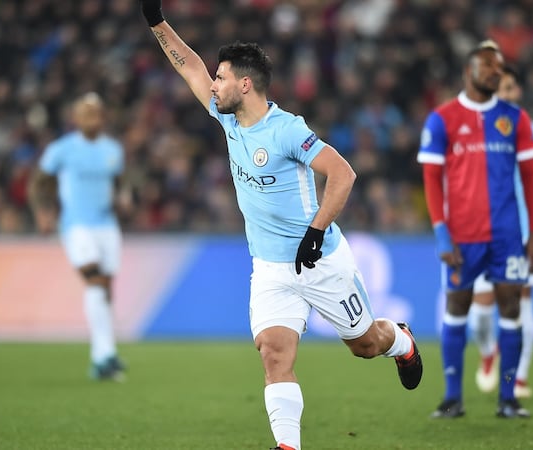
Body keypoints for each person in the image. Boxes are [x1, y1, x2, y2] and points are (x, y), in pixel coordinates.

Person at [138, 2, 422, 449]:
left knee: (365, 344)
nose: (213, 84)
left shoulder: (287, 130)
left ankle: (401, 342)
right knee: (273, 354)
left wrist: (316, 231)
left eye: (221, 77)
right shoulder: (226, 116)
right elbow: (189, 66)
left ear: (245, 84)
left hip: (319, 261)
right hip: (270, 268)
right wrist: (156, 22)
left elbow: (343, 173)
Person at [418, 40, 533, 419]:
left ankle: (508, 398)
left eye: (499, 67)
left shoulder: (515, 118)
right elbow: (431, 180)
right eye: (487, 66)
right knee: (457, 307)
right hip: (462, 237)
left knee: (511, 308)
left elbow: (531, 178)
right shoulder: (442, 118)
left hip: (507, 235)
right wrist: (442, 233)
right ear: (468, 71)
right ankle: (452, 397)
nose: (495, 72)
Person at [469, 65, 533, 399]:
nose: (506, 94)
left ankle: (519, 378)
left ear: (518, 92)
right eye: (500, 88)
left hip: (522, 232)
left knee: (522, 302)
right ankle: (489, 352)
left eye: (511, 88)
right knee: (480, 313)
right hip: (482, 231)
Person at [29, 92, 128, 381]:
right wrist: (42, 213)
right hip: (76, 225)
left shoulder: (112, 150)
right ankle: (103, 355)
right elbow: (38, 184)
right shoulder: (62, 149)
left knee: (105, 287)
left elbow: (120, 182)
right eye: (85, 113)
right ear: (76, 118)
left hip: (106, 225)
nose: (91, 119)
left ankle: (105, 356)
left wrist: (125, 198)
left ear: (102, 117)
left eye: (95, 113)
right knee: (94, 280)